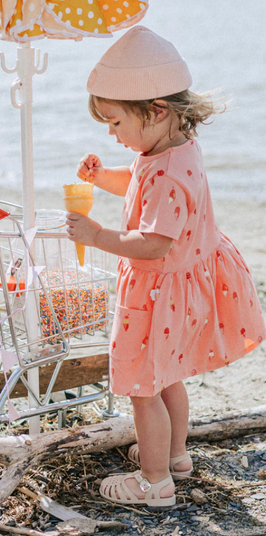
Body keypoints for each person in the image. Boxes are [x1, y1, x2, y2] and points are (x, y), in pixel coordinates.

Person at [66, 26, 266, 507]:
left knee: (141, 387)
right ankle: (175, 454)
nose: (112, 135)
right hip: (177, 292)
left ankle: (154, 481)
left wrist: (97, 237)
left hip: (156, 294)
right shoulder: (167, 151)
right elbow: (138, 186)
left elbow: (154, 242)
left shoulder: (169, 174)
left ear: (155, 111)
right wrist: (101, 178)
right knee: (166, 375)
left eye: (115, 123)